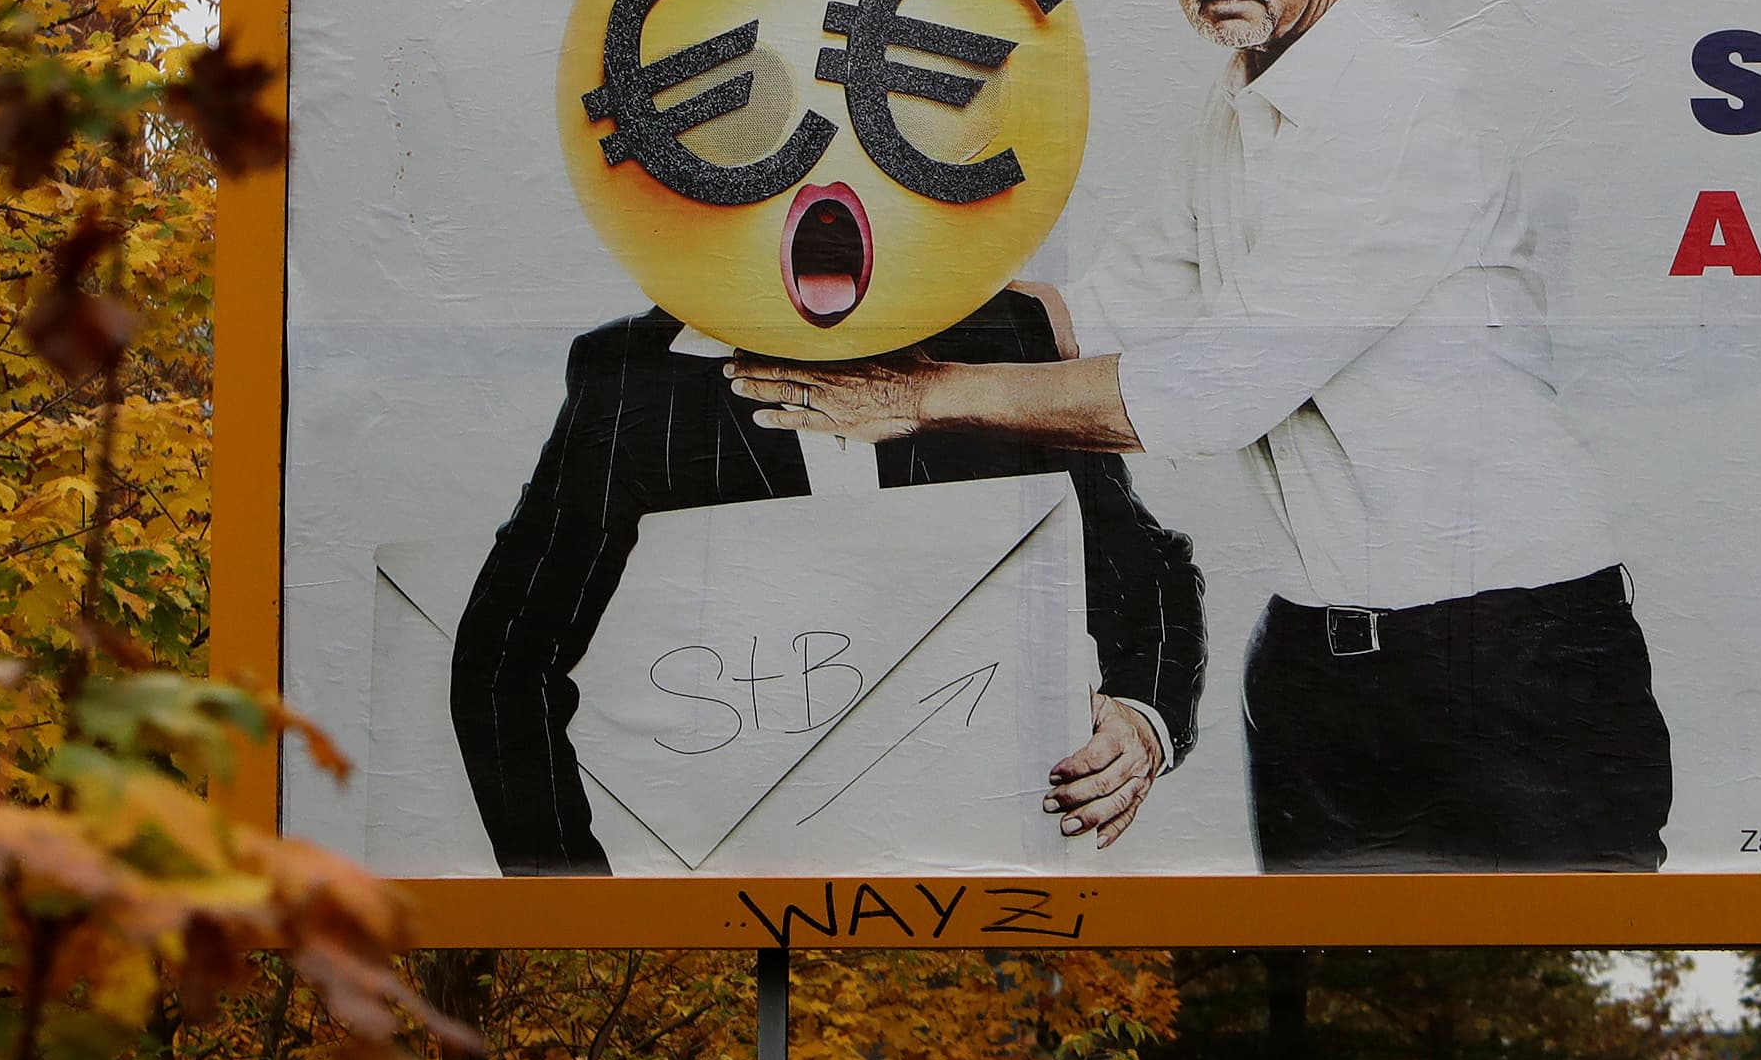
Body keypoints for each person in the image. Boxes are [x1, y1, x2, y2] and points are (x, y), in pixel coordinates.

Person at [725, 0, 1670, 872]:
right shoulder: (1236, 106)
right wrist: (836, 273)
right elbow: (1087, 318)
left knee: (1526, 1015)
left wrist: (919, 395)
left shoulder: (1397, 105)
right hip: (1323, 663)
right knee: (1319, 1017)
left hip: (1515, 657)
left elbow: (1215, 389)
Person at [450, 288, 1204, 875]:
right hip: (724, 920)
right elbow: (507, 662)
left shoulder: (1004, 334)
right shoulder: (631, 376)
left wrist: (1144, 721)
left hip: (989, 900)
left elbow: (1148, 571)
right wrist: (575, 907)